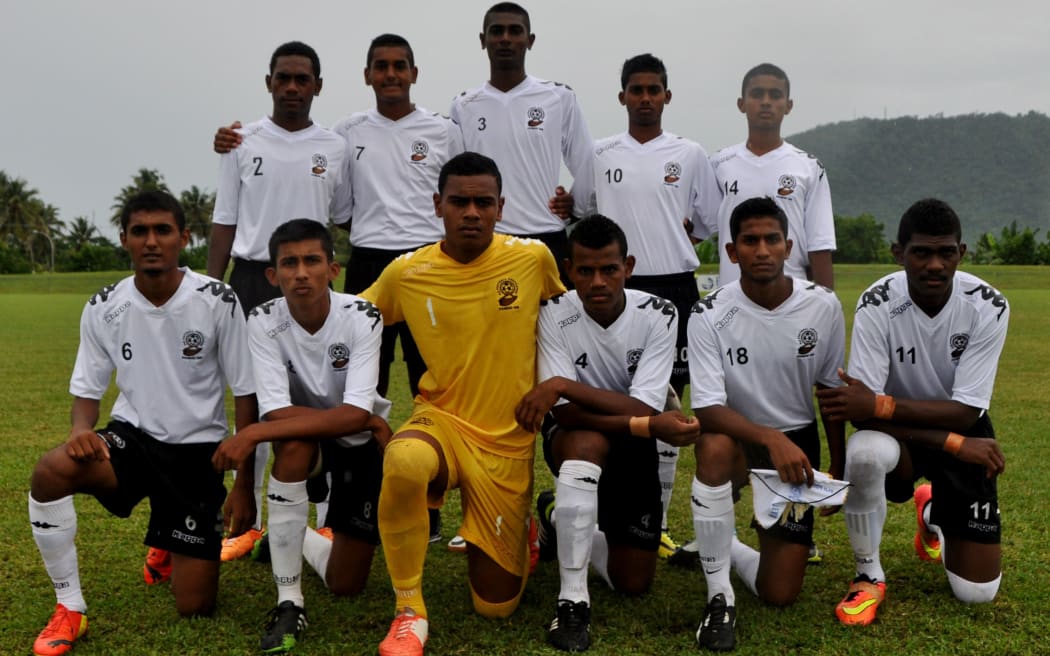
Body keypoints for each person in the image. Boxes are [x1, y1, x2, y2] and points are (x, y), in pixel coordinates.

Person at [27, 191, 256, 656]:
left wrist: (244, 486)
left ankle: (167, 544)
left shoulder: (217, 299)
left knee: (194, 607)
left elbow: (246, 393)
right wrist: (80, 430)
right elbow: (87, 393)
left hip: (198, 453)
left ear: (183, 238)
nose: (151, 241)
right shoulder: (103, 305)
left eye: (162, 230)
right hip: (132, 441)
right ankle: (70, 606)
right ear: (124, 240)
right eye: (140, 231)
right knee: (51, 471)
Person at [360, 152, 565, 656]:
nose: (471, 212)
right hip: (441, 420)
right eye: (459, 202)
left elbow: (570, 321)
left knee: (496, 607)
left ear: (501, 207)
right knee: (404, 461)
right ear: (438, 205)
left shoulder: (533, 259)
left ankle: (528, 527)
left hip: (506, 442)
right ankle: (409, 611)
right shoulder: (407, 272)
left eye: (483, 202)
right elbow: (352, 323)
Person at [816, 198, 1008, 627]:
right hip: (898, 438)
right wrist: (954, 444)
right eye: (921, 252)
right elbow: (861, 414)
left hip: (959, 429)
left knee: (977, 593)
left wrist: (881, 406)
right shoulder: (877, 302)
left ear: (962, 253)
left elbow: (965, 413)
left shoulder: (988, 305)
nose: (934, 265)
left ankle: (931, 513)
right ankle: (868, 575)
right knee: (865, 452)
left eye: (946, 252)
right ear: (898, 253)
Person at [515, 214, 700, 652]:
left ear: (628, 267)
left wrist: (563, 384)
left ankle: (557, 517)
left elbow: (642, 407)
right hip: (578, 437)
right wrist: (643, 423)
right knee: (585, 442)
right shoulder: (552, 312)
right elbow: (566, 415)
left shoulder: (659, 313)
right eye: (585, 271)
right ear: (568, 270)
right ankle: (572, 600)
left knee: (633, 583)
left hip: (634, 439)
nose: (597, 282)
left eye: (609, 269)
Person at [211, 219, 389, 653]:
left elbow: (355, 412)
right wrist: (359, 419)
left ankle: (285, 535)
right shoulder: (262, 319)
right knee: (292, 445)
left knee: (345, 584)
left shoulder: (363, 315)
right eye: (289, 264)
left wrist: (257, 431)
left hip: (361, 445)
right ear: (273, 275)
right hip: (314, 438)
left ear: (333, 269)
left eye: (312, 261)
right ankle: (289, 600)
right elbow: (277, 411)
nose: (301, 273)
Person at [206, 40, 351, 561]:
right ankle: (252, 521)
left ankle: (327, 521)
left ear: (318, 86)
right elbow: (225, 218)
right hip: (254, 278)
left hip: (312, 279)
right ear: (269, 83)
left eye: (302, 79)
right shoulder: (240, 142)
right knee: (255, 400)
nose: (292, 87)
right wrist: (211, 287)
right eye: (283, 78)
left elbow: (344, 215)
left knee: (321, 397)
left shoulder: (334, 146)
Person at [687, 196, 845, 651]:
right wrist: (769, 438)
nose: (762, 250)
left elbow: (830, 391)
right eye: (750, 241)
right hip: (738, 438)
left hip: (797, 444)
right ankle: (719, 596)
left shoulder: (823, 306)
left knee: (779, 593)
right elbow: (707, 409)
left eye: (772, 239)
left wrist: (837, 460)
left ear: (788, 247)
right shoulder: (708, 312)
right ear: (732, 251)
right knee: (713, 447)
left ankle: (725, 545)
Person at [591, 53, 722, 557]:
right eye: (636, 90)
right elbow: (581, 207)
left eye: (654, 90)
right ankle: (600, 511)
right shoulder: (600, 153)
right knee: (612, 395)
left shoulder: (690, 154)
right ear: (621, 96)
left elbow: (708, 220)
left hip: (674, 287)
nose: (645, 98)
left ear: (667, 96)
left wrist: (670, 234)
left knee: (669, 404)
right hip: (616, 288)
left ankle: (659, 521)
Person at [450, 2, 595, 277]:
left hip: (546, 235)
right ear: (483, 40)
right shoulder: (464, 105)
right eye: (497, 31)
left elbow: (588, 163)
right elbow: (456, 176)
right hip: (487, 239)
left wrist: (575, 206)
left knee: (554, 308)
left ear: (530, 40)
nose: (505, 39)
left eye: (515, 31)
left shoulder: (558, 98)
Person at [708, 63, 835, 289]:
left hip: (793, 295)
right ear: (741, 104)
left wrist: (828, 302)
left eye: (775, 95)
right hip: (733, 295)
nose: (766, 102)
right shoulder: (718, 164)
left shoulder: (809, 167)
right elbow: (699, 226)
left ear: (788, 105)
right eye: (757, 94)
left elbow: (819, 245)